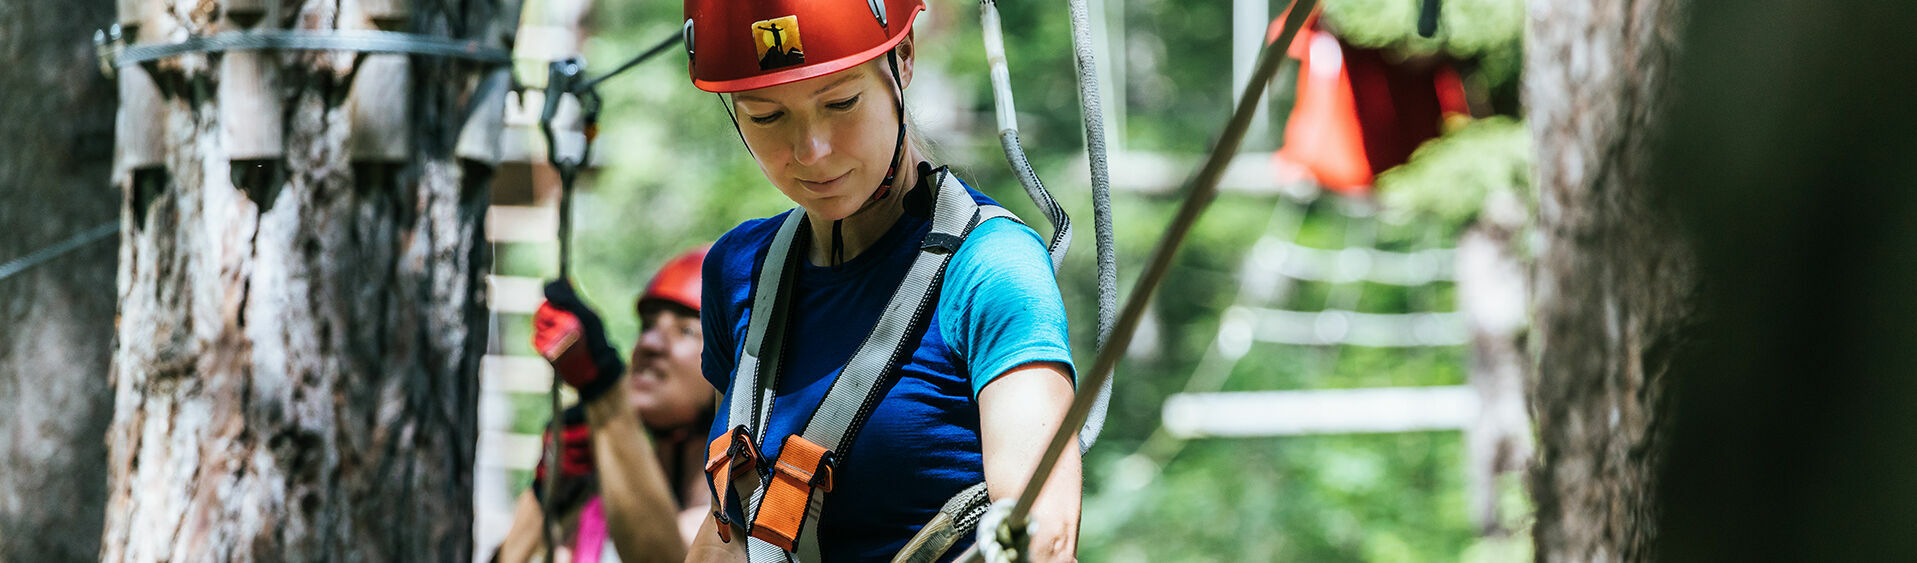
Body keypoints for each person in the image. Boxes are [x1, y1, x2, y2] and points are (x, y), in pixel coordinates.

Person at [681, 0, 1083, 561]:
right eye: (766, 116)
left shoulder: (992, 269)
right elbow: (731, 522)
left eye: (841, 102)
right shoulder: (738, 270)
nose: (811, 151)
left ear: (904, 58)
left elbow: (1043, 539)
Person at [497, 246, 715, 563]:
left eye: (686, 330)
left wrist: (604, 393)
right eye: (648, 326)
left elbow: (669, 554)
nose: (649, 343)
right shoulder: (597, 514)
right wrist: (547, 495)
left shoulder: (747, 516)